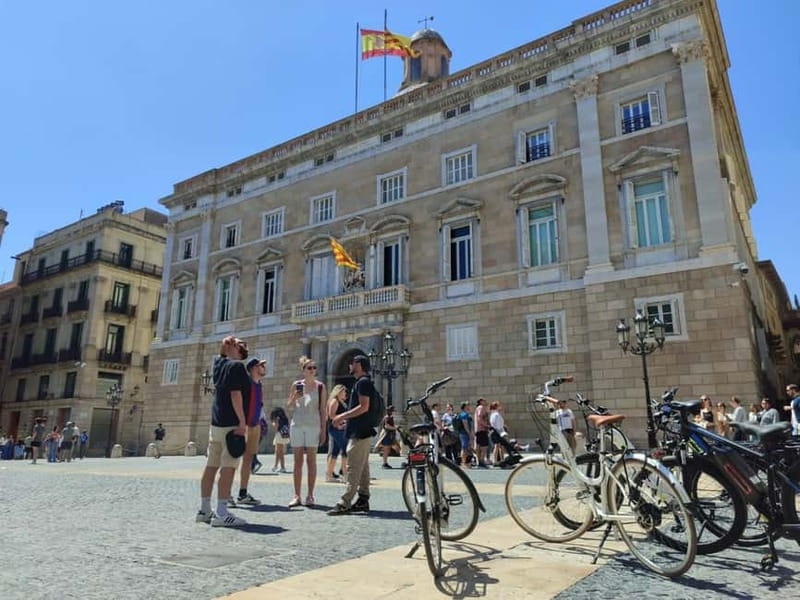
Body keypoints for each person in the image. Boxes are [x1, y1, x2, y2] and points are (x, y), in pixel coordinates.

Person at [196, 336, 250, 527]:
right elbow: (236, 395)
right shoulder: (236, 367)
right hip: (231, 425)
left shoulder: (219, 364)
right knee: (229, 467)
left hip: (216, 424)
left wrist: (223, 347)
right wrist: (242, 422)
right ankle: (221, 512)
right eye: (238, 342)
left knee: (211, 466)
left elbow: (220, 355)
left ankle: (204, 510)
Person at [328, 355, 375, 516]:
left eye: (353, 362)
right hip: (360, 429)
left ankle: (345, 502)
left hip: (360, 431)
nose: (349, 365)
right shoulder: (362, 382)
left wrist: (342, 416)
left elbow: (364, 407)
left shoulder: (363, 383)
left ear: (359, 365)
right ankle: (363, 499)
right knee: (362, 467)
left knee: (353, 466)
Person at [287, 355, 327, 508]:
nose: (312, 370)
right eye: (309, 368)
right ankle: (296, 495)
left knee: (311, 461)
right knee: (297, 461)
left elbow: (323, 410)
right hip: (297, 424)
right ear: (303, 370)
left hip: (313, 425)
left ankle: (310, 495)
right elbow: (289, 405)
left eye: (314, 368)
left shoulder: (320, 386)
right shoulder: (296, 385)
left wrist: (324, 430)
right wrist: (295, 396)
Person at [233, 357, 266, 507]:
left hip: (255, 425)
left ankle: (242, 493)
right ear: (253, 368)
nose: (264, 368)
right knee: (233, 460)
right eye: (261, 366)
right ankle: (225, 494)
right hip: (244, 425)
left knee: (248, 460)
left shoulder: (260, 384)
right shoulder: (247, 384)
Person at [325, 384, 348, 482]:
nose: (345, 393)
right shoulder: (335, 401)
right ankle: (344, 474)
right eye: (343, 391)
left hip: (338, 428)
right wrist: (342, 422)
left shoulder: (341, 402)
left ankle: (329, 474)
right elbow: (331, 415)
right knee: (345, 449)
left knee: (335, 451)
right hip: (336, 428)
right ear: (339, 392)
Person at [270, 407, 290, 473]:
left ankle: (282, 467)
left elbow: (276, 426)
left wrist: (273, 423)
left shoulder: (277, 418)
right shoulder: (284, 418)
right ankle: (275, 466)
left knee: (280, 452)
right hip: (284, 435)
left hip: (279, 435)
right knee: (277, 451)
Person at [455, 402, 474, 468]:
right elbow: (465, 425)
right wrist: (469, 434)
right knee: (464, 448)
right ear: (465, 406)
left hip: (464, 433)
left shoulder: (465, 414)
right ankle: (463, 463)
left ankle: (466, 462)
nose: (469, 406)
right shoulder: (464, 414)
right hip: (464, 433)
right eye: (468, 405)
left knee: (466, 448)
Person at [473, 398, 490, 468]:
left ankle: (479, 461)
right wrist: (486, 425)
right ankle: (481, 460)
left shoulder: (478, 408)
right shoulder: (481, 408)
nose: (485, 401)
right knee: (484, 446)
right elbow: (479, 418)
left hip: (479, 430)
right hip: (482, 429)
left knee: (479, 446)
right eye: (484, 400)